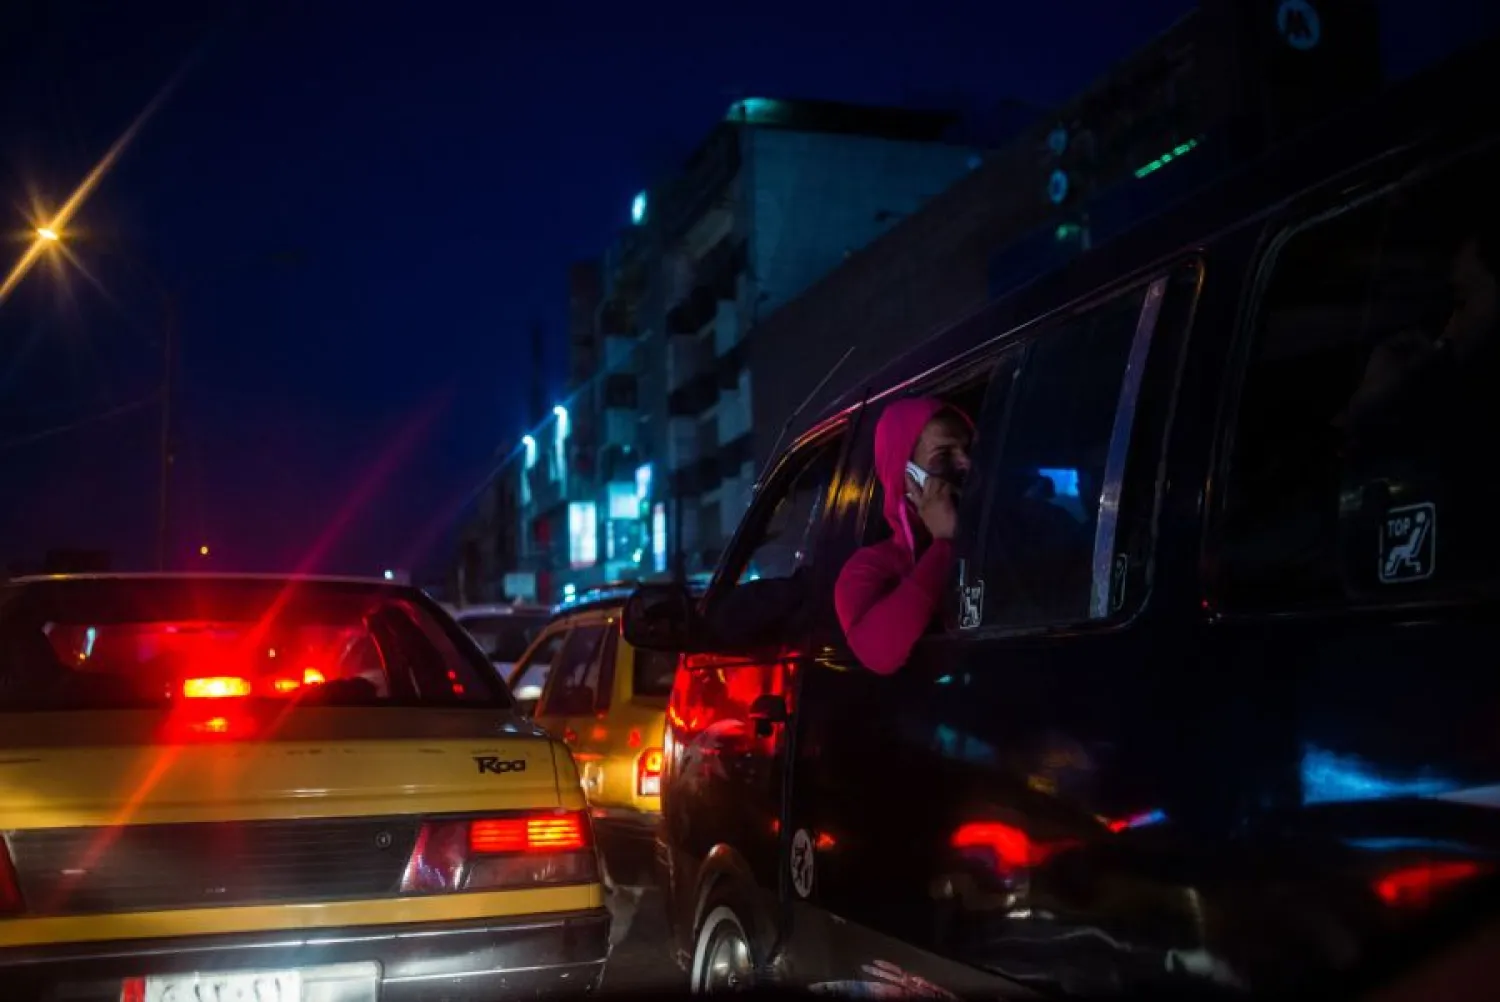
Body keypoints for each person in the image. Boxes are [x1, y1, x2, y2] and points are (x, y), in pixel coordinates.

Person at [835, 397, 972, 674]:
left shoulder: (1010, 524)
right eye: (944, 456)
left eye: (970, 449)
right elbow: (880, 653)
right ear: (906, 476)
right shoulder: (870, 569)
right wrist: (943, 544)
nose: (966, 464)